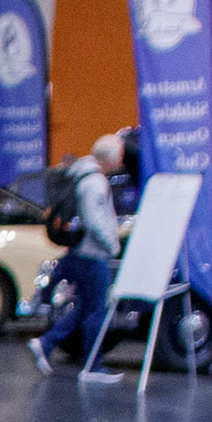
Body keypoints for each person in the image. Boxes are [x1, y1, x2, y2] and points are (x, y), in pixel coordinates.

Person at [29, 134, 124, 382]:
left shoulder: (80, 175)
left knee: (84, 307)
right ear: (110, 158)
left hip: (79, 251)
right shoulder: (95, 182)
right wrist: (112, 245)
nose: (121, 159)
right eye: (120, 154)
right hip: (93, 254)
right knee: (97, 311)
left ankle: (46, 343)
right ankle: (92, 366)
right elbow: (95, 220)